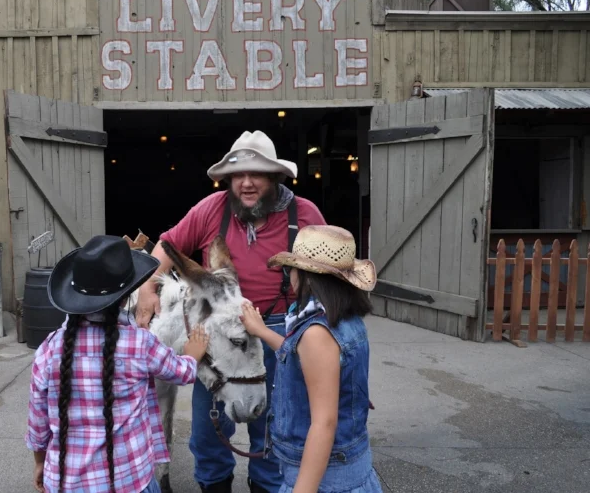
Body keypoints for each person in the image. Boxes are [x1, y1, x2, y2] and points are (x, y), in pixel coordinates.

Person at [135, 130, 326, 493]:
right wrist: (147, 285)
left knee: (271, 425)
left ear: (275, 177)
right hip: (217, 334)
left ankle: (266, 485)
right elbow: (167, 245)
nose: (247, 183)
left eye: (257, 174)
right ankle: (214, 484)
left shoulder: (305, 214)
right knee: (210, 430)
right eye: (239, 175)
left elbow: (330, 279)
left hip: (277, 329)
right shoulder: (211, 209)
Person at [26, 235, 211, 493]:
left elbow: (38, 420)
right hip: (131, 481)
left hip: (66, 483)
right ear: (125, 298)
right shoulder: (140, 344)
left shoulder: (49, 349)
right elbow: (182, 373)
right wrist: (193, 354)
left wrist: (40, 462)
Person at [239, 225, 382, 493]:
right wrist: (261, 331)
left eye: (290, 268)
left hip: (328, 481)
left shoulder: (317, 333)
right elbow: (303, 359)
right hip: (348, 466)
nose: (289, 275)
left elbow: (324, 423)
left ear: (307, 277)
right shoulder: (344, 320)